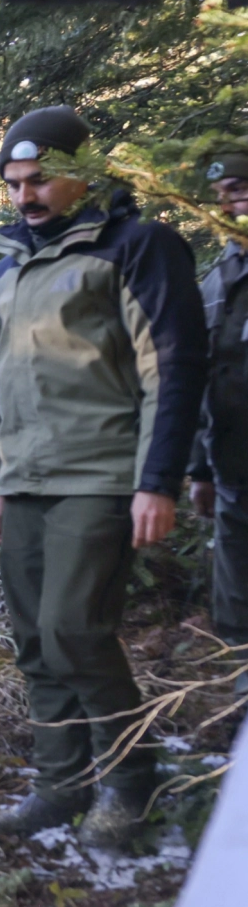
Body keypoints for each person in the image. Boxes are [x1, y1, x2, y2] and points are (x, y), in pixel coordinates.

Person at [0, 106, 208, 848]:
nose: (25, 197)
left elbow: (169, 368)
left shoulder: (136, 248)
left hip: (103, 475)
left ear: (85, 171)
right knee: (33, 639)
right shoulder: (11, 265)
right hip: (28, 481)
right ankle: (59, 784)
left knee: (74, 628)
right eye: (13, 184)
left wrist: (157, 479)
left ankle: (129, 780)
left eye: (39, 179)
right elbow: (2, 382)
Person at [188, 149, 248, 685]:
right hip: (234, 478)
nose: (234, 200)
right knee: (237, 615)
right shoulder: (216, 280)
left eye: (242, 186)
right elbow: (201, 379)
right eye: (226, 193)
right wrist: (200, 471)